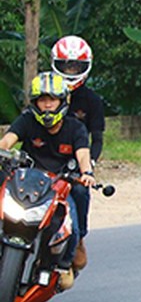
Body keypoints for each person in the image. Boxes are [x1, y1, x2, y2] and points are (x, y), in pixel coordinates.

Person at [0, 72, 96, 290]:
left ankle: (66, 259)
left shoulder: (75, 127)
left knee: (75, 206)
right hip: (27, 182)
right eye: (42, 100)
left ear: (62, 102)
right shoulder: (27, 121)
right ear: (35, 103)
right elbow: (8, 140)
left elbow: (83, 154)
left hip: (61, 186)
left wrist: (86, 173)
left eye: (51, 100)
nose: (47, 106)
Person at [51, 35, 105, 273]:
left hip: (75, 161)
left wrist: (88, 166)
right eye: (66, 65)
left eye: (75, 66)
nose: (70, 70)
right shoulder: (46, 93)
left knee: (81, 191)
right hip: (43, 154)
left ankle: (79, 237)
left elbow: (98, 137)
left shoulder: (92, 101)